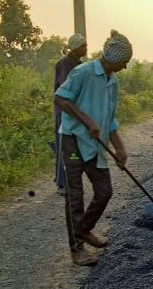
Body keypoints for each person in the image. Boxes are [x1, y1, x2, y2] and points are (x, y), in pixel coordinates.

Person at [54, 30, 132, 266]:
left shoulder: (113, 82)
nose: (124, 68)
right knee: (75, 195)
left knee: (104, 191)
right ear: (111, 59)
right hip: (74, 141)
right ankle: (77, 249)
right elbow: (60, 98)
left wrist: (120, 148)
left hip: (95, 144)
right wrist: (87, 120)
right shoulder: (82, 72)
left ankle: (84, 229)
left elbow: (112, 120)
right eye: (123, 63)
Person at [52, 33, 87, 196]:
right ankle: (63, 183)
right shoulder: (65, 64)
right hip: (65, 111)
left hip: (74, 111)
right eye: (83, 46)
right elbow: (67, 90)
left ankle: (68, 181)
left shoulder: (78, 64)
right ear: (74, 48)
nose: (85, 48)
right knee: (65, 147)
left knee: (72, 148)